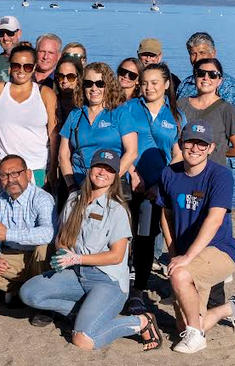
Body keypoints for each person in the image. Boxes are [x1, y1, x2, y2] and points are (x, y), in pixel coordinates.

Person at [20, 149, 163, 351]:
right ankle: (86, 313)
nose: (103, 172)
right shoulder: (73, 200)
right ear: (90, 169)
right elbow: (61, 238)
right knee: (29, 293)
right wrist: (63, 254)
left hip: (107, 281)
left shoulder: (117, 209)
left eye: (109, 169)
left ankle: (140, 322)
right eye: (99, 166)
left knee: (84, 340)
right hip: (76, 275)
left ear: (115, 176)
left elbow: (116, 256)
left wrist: (76, 259)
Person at [157, 121, 235, 353]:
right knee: (182, 326)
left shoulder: (221, 175)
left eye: (202, 144)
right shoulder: (168, 174)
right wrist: (174, 252)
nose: (195, 148)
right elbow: (165, 216)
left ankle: (196, 337)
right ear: (181, 144)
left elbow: (214, 220)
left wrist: (186, 259)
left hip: (219, 251)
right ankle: (233, 307)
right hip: (187, 254)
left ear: (211, 147)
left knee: (180, 275)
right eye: (190, 142)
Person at [119, 62, 185, 314]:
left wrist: (160, 184)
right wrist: (134, 173)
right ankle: (126, 287)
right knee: (128, 236)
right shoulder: (129, 109)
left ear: (166, 84)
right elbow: (122, 146)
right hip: (129, 183)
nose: (148, 87)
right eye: (144, 82)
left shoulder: (176, 115)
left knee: (153, 237)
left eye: (155, 82)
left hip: (161, 189)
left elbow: (178, 155)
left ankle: (144, 289)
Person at [0, 155, 55, 305]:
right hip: (13, 258)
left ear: (28, 174)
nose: (10, 179)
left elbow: (48, 233)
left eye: (15, 173)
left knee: (44, 247)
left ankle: (42, 299)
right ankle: (16, 289)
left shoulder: (42, 198)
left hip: (37, 259)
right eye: (4, 176)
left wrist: (8, 234)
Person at [0, 45, 58, 188]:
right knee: (1, 208)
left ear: (34, 67)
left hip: (36, 166)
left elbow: (53, 134)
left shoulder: (45, 93)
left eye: (27, 66)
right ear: (10, 66)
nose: (21, 70)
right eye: (16, 65)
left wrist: (53, 166)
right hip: (2, 168)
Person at [58, 62, 137, 194]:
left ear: (108, 86)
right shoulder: (75, 114)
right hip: (79, 184)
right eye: (88, 83)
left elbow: (132, 152)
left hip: (110, 185)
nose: (94, 88)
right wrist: (72, 186)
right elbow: (63, 155)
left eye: (100, 84)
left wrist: (110, 182)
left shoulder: (120, 112)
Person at [177, 58, 235, 167]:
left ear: (220, 81)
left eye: (213, 74)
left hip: (213, 173)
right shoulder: (180, 104)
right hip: (183, 171)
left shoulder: (227, 109)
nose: (206, 78)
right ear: (194, 77)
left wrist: (215, 153)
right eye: (200, 73)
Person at [176, 32, 235, 119]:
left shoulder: (228, 86)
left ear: (213, 53)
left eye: (202, 53)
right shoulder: (185, 84)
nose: (197, 59)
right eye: (193, 54)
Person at [54, 55, 84, 128]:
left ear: (78, 78)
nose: (65, 81)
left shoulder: (86, 103)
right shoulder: (52, 100)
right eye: (61, 76)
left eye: (70, 77)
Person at [0, 16, 22, 83]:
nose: (5, 38)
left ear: (19, 33)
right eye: (1, 34)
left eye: (10, 33)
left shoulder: (31, 60)